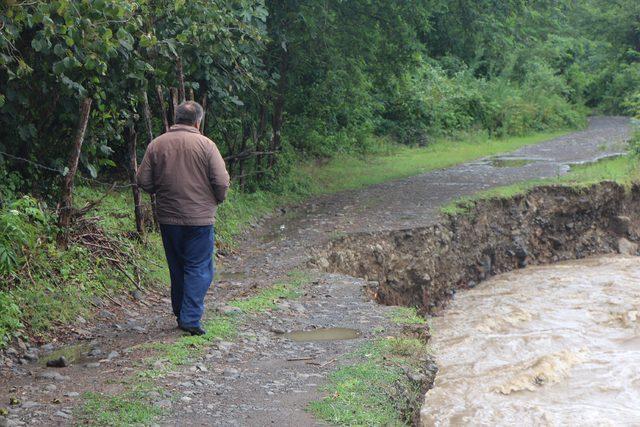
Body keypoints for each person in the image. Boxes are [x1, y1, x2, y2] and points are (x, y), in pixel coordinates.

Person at [137, 101, 230, 336]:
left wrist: (161, 192)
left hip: (169, 218)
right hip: (200, 219)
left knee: (177, 266)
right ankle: (190, 318)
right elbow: (221, 181)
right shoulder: (207, 145)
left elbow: (143, 180)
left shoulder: (156, 145)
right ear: (198, 121)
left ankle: (181, 312)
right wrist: (216, 200)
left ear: (175, 118)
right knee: (199, 267)